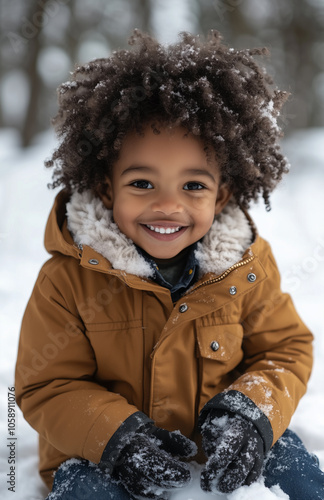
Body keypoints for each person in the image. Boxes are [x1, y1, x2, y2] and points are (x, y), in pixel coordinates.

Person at [15, 30, 324, 500]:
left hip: (227, 451)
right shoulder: (67, 279)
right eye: (142, 183)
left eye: (193, 186)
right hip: (99, 456)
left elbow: (286, 349)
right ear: (104, 187)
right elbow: (47, 384)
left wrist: (250, 414)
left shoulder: (246, 267)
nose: (168, 206)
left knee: (301, 477)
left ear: (222, 194)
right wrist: (113, 436)